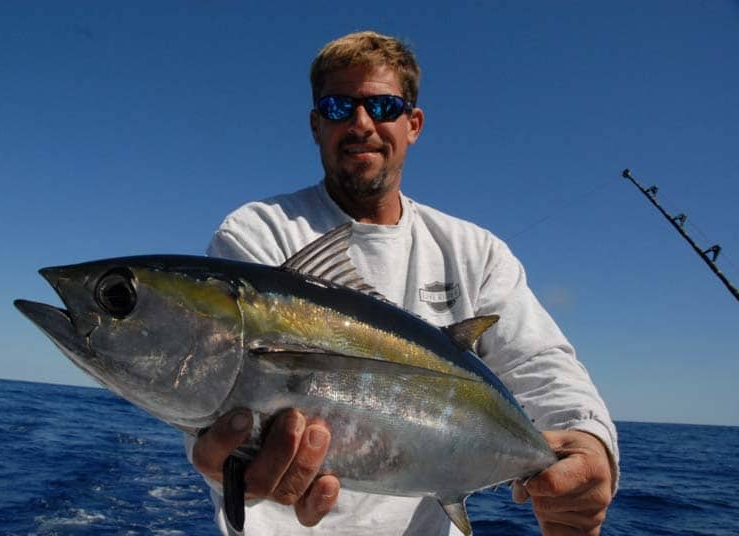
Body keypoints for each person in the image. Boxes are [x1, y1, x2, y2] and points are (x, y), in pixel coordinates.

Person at [186, 31, 618, 536]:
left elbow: (539, 363)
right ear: (315, 124)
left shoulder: (475, 250)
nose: (361, 123)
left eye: (384, 106)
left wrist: (589, 441)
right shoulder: (258, 232)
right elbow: (222, 390)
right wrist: (224, 461)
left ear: (413, 125)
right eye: (338, 106)